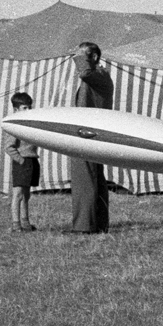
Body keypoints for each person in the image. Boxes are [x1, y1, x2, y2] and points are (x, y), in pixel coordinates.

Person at [67, 42, 113, 233]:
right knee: (95, 179)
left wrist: (78, 56)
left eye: (83, 56)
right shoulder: (98, 77)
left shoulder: (99, 75)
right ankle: (98, 224)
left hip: (87, 134)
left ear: (93, 57)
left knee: (84, 179)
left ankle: (84, 226)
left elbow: (85, 73)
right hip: (91, 132)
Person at [3, 91, 39, 232]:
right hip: (22, 162)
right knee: (17, 194)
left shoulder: (29, 123)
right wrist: (21, 160)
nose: (29, 110)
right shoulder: (14, 124)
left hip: (32, 160)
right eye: (25, 108)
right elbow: (8, 146)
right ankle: (15, 224)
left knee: (26, 195)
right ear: (16, 109)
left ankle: (25, 223)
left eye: (30, 107)